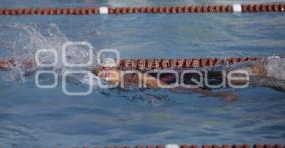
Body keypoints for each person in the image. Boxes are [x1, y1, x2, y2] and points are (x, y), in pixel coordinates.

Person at [94, 56, 284, 102]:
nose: (106, 75)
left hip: (205, 79)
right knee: (260, 70)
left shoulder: (134, 78)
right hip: (204, 73)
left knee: (265, 81)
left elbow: (176, 88)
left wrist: (218, 96)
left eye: (106, 72)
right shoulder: (129, 76)